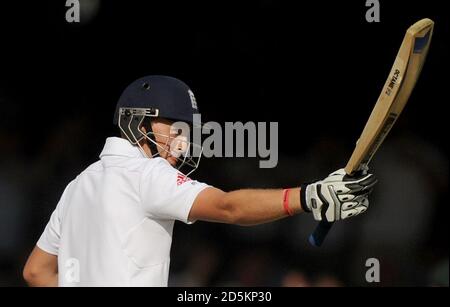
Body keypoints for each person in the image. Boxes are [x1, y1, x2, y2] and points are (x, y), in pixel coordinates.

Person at [23, 75, 377, 286]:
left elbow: (36, 272)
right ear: (138, 122)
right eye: (174, 127)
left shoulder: (78, 184)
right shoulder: (146, 173)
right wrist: (309, 196)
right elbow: (229, 207)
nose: (182, 141)